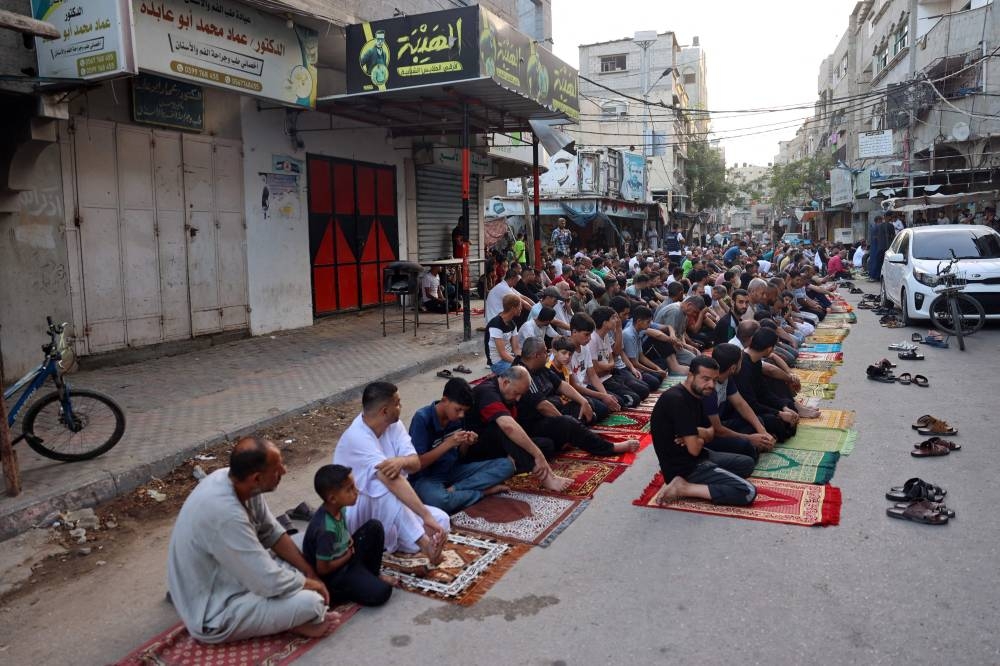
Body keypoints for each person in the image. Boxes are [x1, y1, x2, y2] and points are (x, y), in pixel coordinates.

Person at [167, 437, 329, 644]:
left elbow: (271, 532)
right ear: (257, 478)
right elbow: (267, 582)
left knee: (310, 550)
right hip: (215, 609)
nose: (284, 471)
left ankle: (285, 615)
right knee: (312, 603)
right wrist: (312, 585)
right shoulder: (225, 513)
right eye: (277, 468)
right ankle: (291, 621)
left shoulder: (236, 481)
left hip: (241, 574)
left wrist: (309, 571)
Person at [333, 382, 450, 564]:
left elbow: (415, 463)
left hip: (392, 506)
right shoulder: (357, 437)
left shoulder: (394, 425)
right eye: (397, 403)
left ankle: (402, 543)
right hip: (357, 509)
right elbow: (392, 481)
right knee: (385, 488)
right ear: (384, 411)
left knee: (442, 521)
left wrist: (400, 461)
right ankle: (425, 546)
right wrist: (425, 516)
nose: (401, 406)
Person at [649, 356, 758, 506]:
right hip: (685, 466)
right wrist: (701, 436)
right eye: (705, 379)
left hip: (700, 455)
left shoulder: (698, 394)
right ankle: (684, 488)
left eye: (714, 380)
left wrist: (699, 433)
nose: (711, 385)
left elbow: (711, 431)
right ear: (690, 376)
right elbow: (694, 449)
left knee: (747, 464)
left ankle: (708, 478)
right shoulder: (677, 400)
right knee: (748, 492)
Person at [516, 338, 639, 454]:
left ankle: (570, 435)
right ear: (536, 355)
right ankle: (610, 448)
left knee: (585, 407)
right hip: (535, 421)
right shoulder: (522, 373)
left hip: (554, 407)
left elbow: (561, 385)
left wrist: (583, 401)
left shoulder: (540, 367)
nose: (547, 355)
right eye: (544, 352)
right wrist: (563, 424)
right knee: (568, 424)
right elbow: (542, 406)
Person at [408, 378, 514, 513]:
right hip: (426, 477)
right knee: (439, 500)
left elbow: (460, 456)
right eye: (458, 409)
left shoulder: (458, 419)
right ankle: (482, 492)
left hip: (452, 471)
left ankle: (456, 490)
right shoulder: (422, 418)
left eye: (464, 411)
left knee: (507, 465)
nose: (461, 415)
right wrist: (448, 444)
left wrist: (466, 444)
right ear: (444, 400)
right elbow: (417, 464)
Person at [465, 366, 573, 492]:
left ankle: (510, 463)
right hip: (476, 447)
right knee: (505, 429)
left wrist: (519, 451)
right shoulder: (487, 392)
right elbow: (508, 427)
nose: (518, 399)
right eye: (516, 393)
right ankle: (547, 478)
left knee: (546, 445)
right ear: (505, 382)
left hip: (500, 446)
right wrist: (537, 455)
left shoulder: (507, 392)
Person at [302, 465, 393, 607]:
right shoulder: (326, 530)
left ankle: (369, 575)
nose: (356, 491)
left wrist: (348, 538)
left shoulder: (339, 508)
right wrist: (347, 556)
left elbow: (343, 530)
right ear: (333, 498)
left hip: (346, 556)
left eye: (354, 486)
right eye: (349, 489)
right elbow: (322, 569)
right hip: (334, 574)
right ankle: (339, 593)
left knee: (374, 527)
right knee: (383, 592)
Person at [484, 293, 522, 375]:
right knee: (521, 374)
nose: (521, 309)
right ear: (513, 308)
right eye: (519, 306)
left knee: (530, 368)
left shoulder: (512, 324)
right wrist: (520, 363)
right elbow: (503, 354)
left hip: (509, 358)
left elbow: (516, 349)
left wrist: (523, 360)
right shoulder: (496, 325)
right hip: (497, 363)